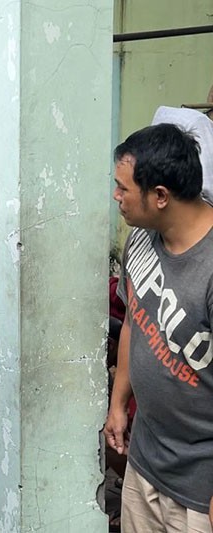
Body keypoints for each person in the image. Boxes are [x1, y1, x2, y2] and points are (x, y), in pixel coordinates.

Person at [104, 123, 213, 533]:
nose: (116, 197)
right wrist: (118, 403)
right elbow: (135, 318)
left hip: (201, 488)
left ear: (161, 197)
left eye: (123, 188)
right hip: (147, 462)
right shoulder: (142, 239)